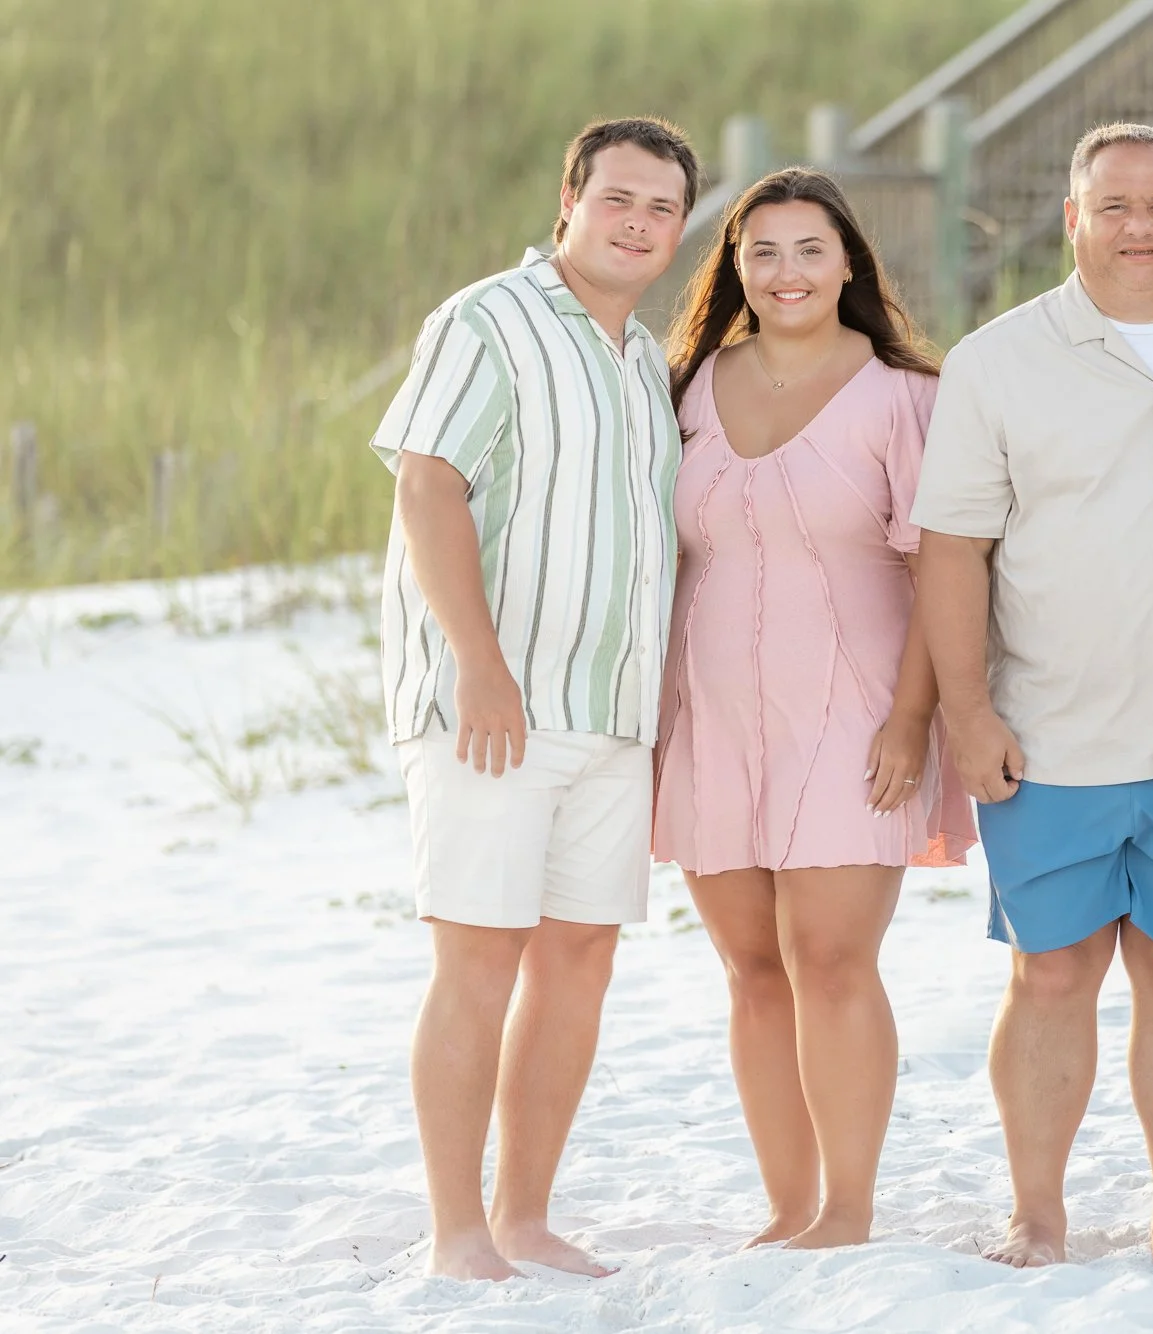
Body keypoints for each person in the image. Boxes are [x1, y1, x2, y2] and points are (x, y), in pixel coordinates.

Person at [913, 124, 1153, 1282]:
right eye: (1110, 204)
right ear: (1071, 218)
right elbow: (950, 547)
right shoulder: (996, 360)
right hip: (1050, 729)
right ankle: (1038, 1213)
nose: (1136, 225)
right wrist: (964, 712)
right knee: (1051, 970)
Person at [372, 117, 698, 1281]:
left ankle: (522, 1216)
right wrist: (480, 660)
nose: (637, 223)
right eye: (616, 199)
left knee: (578, 962)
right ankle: (456, 1230)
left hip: (609, 720)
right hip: (491, 711)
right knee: (478, 959)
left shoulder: (639, 356)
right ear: (568, 198)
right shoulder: (485, 320)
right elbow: (427, 484)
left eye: (661, 209)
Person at [654, 167, 976, 1251]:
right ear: (735, 268)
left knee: (831, 961)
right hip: (712, 715)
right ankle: (787, 1204)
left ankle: (846, 1204)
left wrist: (910, 720)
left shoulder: (902, 397)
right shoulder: (688, 385)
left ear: (848, 263)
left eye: (808, 249)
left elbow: (944, 571)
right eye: (762, 252)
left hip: (856, 713)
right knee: (751, 970)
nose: (785, 271)